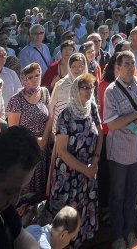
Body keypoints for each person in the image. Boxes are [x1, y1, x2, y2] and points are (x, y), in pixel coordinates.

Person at [101, 49, 137, 249]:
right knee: (117, 194)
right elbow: (112, 124)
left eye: (132, 63)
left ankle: (130, 230)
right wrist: (135, 115)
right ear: (118, 68)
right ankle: (117, 236)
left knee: (133, 191)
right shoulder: (111, 91)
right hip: (119, 151)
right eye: (126, 64)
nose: (131, 67)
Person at [48, 74, 102, 248]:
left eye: (91, 87)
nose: (89, 91)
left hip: (88, 172)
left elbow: (100, 134)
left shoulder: (92, 107)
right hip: (69, 175)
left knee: (84, 210)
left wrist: (95, 160)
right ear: (75, 90)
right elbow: (62, 151)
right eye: (84, 87)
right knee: (67, 217)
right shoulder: (66, 115)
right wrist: (84, 169)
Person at [6, 62, 50, 197]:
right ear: (24, 79)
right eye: (31, 77)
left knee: (42, 188)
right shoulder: (16, 100)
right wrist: (36, 140)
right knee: (26, 189)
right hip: (26, 150)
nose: (36, 79)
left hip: (43, 147)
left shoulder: (44, 92)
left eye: (38, 75)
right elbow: (14, 131)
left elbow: (49, 118)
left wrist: (45, 139)